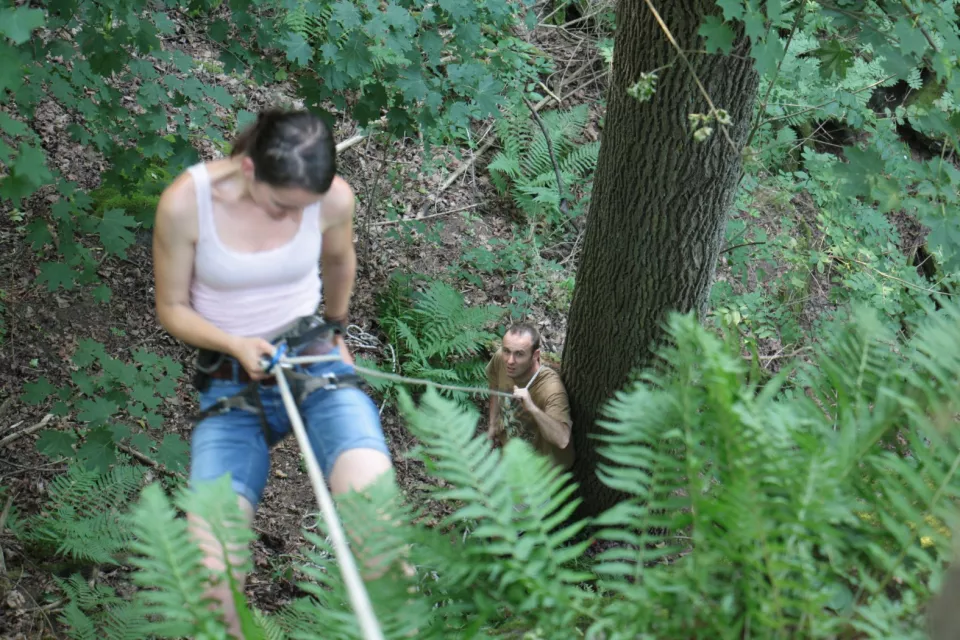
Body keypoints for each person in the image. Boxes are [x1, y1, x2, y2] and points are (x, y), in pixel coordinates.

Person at [151, 108, 393, 637]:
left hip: (312, 360)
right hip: (231, 382)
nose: (293, 218)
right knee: (211, 582)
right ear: (248, 169)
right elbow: (171, 308)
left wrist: (336, 328)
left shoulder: (332, 198)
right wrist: (235, 344)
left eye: (303, 209)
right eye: (283, 205)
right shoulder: (187, 204)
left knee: (382, 532)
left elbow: (339, 260)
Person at [486, 323, 574, 470]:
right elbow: (494, 385)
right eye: (506, 351)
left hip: (542, 470)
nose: (510, 361)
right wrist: (493, 424)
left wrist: (532, 408)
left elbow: (562, 439)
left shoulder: (550, 387)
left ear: (535, 355)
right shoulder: (501, 359)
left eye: (519, 354)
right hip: (512, 454)